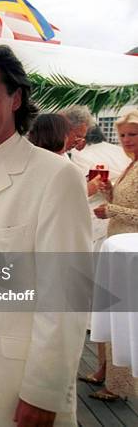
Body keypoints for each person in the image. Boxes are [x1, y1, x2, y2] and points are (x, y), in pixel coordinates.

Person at [0, 45, 91, 427]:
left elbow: (68, 295)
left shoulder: (56, 177)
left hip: (15, 380)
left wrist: (42, 392)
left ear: (16, 98)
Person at [91, 109, 138, 402]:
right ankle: (104, 369)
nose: (126, 140)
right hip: (117, 247)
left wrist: (112, 209)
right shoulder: (131, 166)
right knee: (109, 311)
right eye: (122, 135)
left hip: (130, 253)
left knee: (121, 314)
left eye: (132, 134)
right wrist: (110, 193)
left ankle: (120, 385)